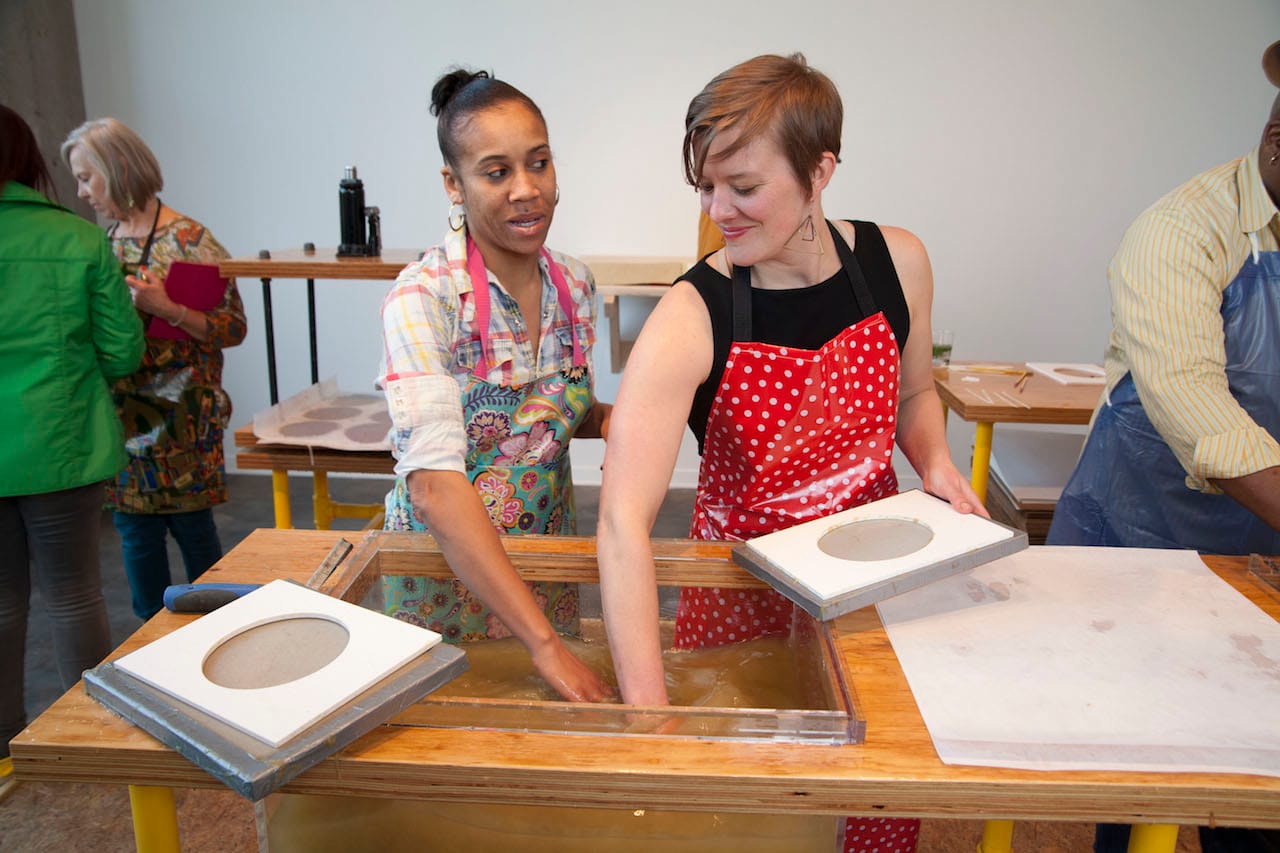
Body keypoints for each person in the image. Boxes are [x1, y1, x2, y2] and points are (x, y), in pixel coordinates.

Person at [595, 54, 983, 853]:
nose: (718, 209)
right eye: (706, 187)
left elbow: (913, 395)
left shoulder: (895, 262)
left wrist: (938, 464)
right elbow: (620, 524)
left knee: (871, 799)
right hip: (745, 599)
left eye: (743, 186)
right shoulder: (692, 313)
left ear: (820, 170)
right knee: (753, 823)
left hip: (871, 582)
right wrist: (650, 714)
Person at [1047, 40, 1280, 853]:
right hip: (1141, 536)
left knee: (1255, 779)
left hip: (1265, 551)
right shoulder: (1183, 229)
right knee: (1136, 765)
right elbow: (1197, 410)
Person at [376, 68, 613, 703]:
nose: (526, 190)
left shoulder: (575, 285)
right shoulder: (423, 298)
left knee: (540, 744)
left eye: (539, 163)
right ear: (453, 184)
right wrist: (546, 646)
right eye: (496, 172)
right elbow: (431, 485)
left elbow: (552, 417)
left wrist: (628, 422)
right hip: (446, 573)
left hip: (544, 561)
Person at [0, 106, 145, 763]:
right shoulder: (79, 240)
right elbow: (121, 353)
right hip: (63, 444)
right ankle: (83, 736)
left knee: (2, 605)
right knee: (74, 593)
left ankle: (5, 743)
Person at [60, 119, 247, 621]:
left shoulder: (189, 241)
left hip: (182, 420)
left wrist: (167, 308)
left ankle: (219, 627)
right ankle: (151, 639)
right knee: (134, 533)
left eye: (86, 177)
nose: (81, 193)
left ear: (116, 168)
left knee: (192, 529)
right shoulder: (102, 243)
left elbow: (231, 329)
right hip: (120, 416)